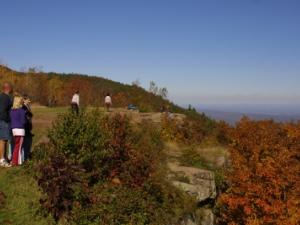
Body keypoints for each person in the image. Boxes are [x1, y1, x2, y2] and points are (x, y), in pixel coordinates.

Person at [10, 96, 26, 166]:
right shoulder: (21, 111)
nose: (22, 102)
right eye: (21, 101)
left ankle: (14, 160)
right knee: (18, 147)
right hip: (20, 130)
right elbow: (23, 121)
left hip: (13, 129)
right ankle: (16, 162)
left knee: (16, 146)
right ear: (19, 102)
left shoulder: (11, 111)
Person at [0, 82, 13, 167]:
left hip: (2, 120)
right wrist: (7, 119)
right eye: (11, 88)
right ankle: (2, 160)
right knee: (3, 140)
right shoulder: (5, 97)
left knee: (3, 140)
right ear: (8, 88)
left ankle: (3, 158)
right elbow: (2, 110)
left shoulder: (2, 96)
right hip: (3, 121)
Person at [22, 95, 33, 161]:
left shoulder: (28, 106)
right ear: (24, 100)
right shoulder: (23, 107)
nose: (29, 101)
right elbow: (27, 116)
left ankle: (27, 155)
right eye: (28, 100)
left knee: (29, 142)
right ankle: (25, 156)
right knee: (26, 142)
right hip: (25, 127)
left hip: (28, 127)